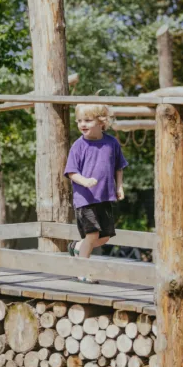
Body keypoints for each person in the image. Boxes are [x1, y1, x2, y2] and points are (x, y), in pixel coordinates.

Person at [64, 103, 128, 282]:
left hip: (105, 197)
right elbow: (71, 172)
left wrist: (119, 187)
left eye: (87, 120)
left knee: (104, 237)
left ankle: (77, 247)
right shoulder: (78, 146)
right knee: (91, 236)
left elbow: (119, 167)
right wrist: (84, 181)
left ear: (102, 122)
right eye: (79, 121)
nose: (82, 124)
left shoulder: (111, 143)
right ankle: (83, 272)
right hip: (85, 199)